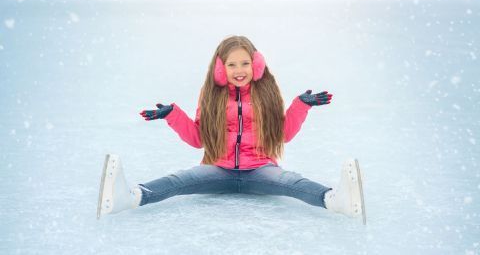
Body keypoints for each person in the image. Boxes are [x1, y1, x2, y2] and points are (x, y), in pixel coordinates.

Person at [96, 35, 366, 224]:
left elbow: (282, 134)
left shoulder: (267, 93)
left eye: (245, 63)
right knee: (179, 180)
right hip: (219, 169)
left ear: (256, 65)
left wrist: (300, 106)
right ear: (220, 68)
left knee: (291, 182)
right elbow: (197, 139)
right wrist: (173, 115)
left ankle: (335, 200)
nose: (240, 70)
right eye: (232, 64)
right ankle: (131, 197)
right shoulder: (212, 95)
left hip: (260, 169)